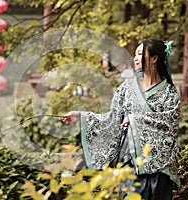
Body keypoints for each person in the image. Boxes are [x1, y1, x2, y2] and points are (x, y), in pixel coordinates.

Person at [62, 38, 180, 199]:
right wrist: (80, 116)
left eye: (140, 54)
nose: (135, 58)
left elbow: (169, 126)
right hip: (129, 161)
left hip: (158, 167)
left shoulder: (169, 93)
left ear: (154, 58)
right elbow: (112, 119)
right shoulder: (127, 88)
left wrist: (135, 119)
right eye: (135, 54)